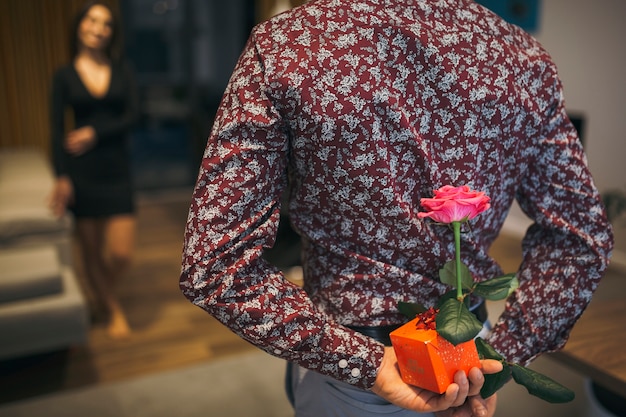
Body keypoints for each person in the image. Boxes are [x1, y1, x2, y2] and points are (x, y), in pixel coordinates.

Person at [179, 1, 614, 416]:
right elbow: (582, 238)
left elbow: (215, 262)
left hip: (354, 370)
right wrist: (501, 354)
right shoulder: (523, 58)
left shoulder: (290, 44)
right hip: (465, 353)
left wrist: (360, 363)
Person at [49, 1, 139, 339]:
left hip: (117, 169)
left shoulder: (123, 69)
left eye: (106, 24)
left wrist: (95, 132)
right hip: (81, 172)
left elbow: (134, 115)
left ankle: (100, 295)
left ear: (111, 33)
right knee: (90, 251)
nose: (98, 28)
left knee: (120, 254)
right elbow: (56, 131)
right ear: (79, 25)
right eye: (91, 20)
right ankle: (111, 306)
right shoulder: (64, 75)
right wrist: (61, 176)